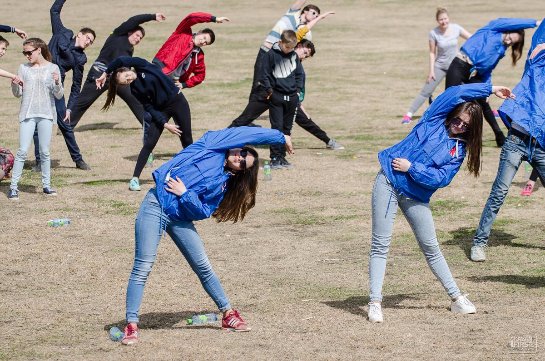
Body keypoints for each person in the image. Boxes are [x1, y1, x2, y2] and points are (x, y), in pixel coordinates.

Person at [118, 126, 294, 345]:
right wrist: (280, 137)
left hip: (180, 217)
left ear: (237, 171)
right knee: (143, 265)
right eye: (243, 153)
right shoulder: (212, 145)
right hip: (156, 204)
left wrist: (185, 194)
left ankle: (228, 314)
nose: (239, 157)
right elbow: (247, 133)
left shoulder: (221, 185)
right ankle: (132, 325)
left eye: (242, 162)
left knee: (203, 266)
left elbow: (202, 211)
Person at [367, 83, 513, 323]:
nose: (459, 126)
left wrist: (412, 168)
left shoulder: (459, 150)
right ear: (452, 114)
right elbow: (455, 93)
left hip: (415, 195)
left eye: (466, 126)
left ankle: (457, 298)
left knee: (431, 247)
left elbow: (441, 178)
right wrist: (490, 88)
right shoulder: (433, 119)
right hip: (388, 182)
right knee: (380, 244)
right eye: (458, 120)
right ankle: (375, 302)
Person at [470, 20, 545, 262]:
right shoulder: (535, 68)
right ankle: (479, 242)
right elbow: (537, 48)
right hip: (517, 140)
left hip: (540, 146)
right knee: (499, 192)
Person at [64, 12, 166, 169]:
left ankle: (148, 125)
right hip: (100, 73)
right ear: (130, 31)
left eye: (140, 38)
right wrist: (153, 16)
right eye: (137, 35)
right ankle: (66, 125)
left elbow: (127, 68)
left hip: (118, 79)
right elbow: (134, 19)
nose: (138, 39)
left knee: (137, 102)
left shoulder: (129, 50)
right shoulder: (119, 35)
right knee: (83, 101)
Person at [96, 56, 192, 191]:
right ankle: (135, 179)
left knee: (186, 140)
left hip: (178, 102)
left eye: (126, 76)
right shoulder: (134, 89)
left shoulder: (143, 65)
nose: (128, 79)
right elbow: (149, 108)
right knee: (149, 143)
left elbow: (120, 60)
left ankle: (193, 173)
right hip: (161, 110)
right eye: (125, 82)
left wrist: (105, 73)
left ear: (126, 69)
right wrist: (165, 124)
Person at [231, 1, 331, 128]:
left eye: (316, 16)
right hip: (265, 53)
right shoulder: (292, 14)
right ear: (305, 10)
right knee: (257, 88)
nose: (314, 16)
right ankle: (247, 120)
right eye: (313, 13)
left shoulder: (300, 31)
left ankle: (247, 120)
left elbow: (304, 32)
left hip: (276, 59)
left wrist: (320, 18)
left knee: (265, 91)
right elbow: (299, 3)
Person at [445, 17, 539, 147]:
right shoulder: (493, 29)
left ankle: (499, 136)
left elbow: (487, 71)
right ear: (508, 30)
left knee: (483, 102)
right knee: (449, 99)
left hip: (473, 73)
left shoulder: (500, 51)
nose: (508, 42)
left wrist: (487, 88)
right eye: (510, 38)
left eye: (511, 43)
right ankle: (444, 132)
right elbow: (509, 21)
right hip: (459, 64)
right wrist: (535, 23)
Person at [33, 0, 96, 171]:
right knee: (37, 123)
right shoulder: (62, 33)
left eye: (91, 42)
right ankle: (39, 161)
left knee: (65, 125)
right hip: (39, 82)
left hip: (56, 88)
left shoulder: (81, 58)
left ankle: (78, 160)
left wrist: (69, 108)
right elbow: (54, 11)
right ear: (80, 34)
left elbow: (76, 85)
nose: (89, 42)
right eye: (88, 38)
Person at [8, 38, 64, 201]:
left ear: (39, 50)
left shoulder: (53, 68)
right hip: (27, 114)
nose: (27, 55)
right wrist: (14, 84)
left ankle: (46, 186)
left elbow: (59, 94)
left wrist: (56, 82)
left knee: (45, 152)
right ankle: (13, 187)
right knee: (22, 151)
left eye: (29, 52)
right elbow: (17, 93)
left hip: (46, 114)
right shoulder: (23, 68)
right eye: (24, 53)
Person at [401, 8, 471, 124]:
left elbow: (471, 38)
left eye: (445, 18)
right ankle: (409, 115)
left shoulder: (456, 28)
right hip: (440, 66)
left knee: (468, 88)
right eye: (441, 20)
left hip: (456, 67)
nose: (444, 21)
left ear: (448, 18)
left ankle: (487, 110)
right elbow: (432, 53)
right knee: (426, 91)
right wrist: (431, 71)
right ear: (437, 21)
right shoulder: (433, 33)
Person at [259, 30, 303, 168]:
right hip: (276, 97)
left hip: (292, 97)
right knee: (276, 129)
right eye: (287, 47)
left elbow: (299, 74)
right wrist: (270, 91)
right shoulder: (270, 55)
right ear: (281, 42)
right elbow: (263, 74)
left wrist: (298, 90)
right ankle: (274, 158)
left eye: (291, 48)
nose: (289, 50)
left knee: (286, 129)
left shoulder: (294, 56)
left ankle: (282, 157)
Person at [152, 12, 230, 87]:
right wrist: (214, 19)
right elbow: (192, 17)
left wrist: (184, 84)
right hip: (159, 69)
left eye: (206, 43)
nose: (203, 42)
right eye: (204, 38)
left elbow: (200, 76)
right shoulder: (183, 32)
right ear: (200, 32)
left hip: (172, 83)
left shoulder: (198, 55)